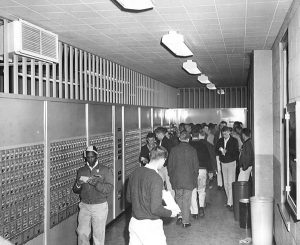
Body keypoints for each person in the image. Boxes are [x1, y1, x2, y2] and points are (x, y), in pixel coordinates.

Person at [126, 146, 179, 245]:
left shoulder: (135, 172)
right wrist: (171, 213)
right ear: (163, 159)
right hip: (150, 226)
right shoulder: (156, 178)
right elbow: (155, 208)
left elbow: (129, 198)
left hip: (134, 223)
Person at [73, 146, 114, 245]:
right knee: (82, 233)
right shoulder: (81, 171)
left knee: (98, 236)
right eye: (88, 157)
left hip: (99, 206)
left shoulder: (105, 170)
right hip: (85, 206)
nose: (90, 159)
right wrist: (78, 184)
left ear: (96, 156)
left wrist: (96, 184)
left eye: (92, 157)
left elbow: (109, 188)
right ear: (85, 157)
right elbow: (75, 190)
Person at [168, 130, 199, 227]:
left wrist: (172, 178)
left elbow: (170, 167)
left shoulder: (173, 150)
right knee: (186, 200)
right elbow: (196, 167)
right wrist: (194, 179)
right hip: (189, 180)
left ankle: (180, 216)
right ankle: (186, 221)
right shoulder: (193, 150)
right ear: (189, 139)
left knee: (178, 198)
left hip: (177, 179)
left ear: (179, 138)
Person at [190, 127, 214, 218]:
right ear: (199, 136)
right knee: (202, 190)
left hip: (192, 171)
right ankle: (201, 208)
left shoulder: (189, 145)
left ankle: (194, 212)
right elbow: (208, 159)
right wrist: (210, 171)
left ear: (191, 135)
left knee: (193, 190)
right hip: (203, 170)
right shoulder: (204, 145)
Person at [215, 127, 239, 210]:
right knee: (225, 183)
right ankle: (230, 201)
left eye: (226, 134)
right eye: (223, 134)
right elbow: (216, 150)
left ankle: (230, 202)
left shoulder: (234, 141)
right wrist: (220, 150)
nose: (224, 135)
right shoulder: (220, 141)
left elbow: (236, 152)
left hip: (231, 163)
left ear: (229, 133)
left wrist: (227, 152)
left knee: (230, 182)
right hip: (223, 163)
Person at [155, 127, 174, 196]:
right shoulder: (160, 142)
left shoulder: (167, 142)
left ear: (160, 134)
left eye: (156, 134)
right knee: (160, 184)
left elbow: (169, 155)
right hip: (161, 167)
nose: (156, 136)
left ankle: (171, 203)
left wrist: (163, 164)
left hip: (166, 167)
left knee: (169, 186)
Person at [214, 121, 227, 190]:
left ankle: (225, 184)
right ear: (219, 126)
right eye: (221, 126)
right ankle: (220, 184)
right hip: (218, 154)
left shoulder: (228, 134)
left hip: (226, 154)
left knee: (224, 169)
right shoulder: (216, 134)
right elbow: (214, 144)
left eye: (224, 126)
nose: (222, 127)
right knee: (219, 169)